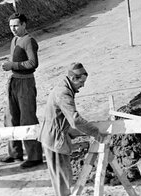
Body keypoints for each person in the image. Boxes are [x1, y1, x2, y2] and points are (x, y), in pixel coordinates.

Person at [38, 63, 103, 196]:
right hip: (55, 139)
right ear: (73, 79)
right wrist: (95, 132)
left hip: (54, 135)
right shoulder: (63, 93)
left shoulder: (64, 87)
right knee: (62, 180)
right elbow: (75, 120)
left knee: (62, 178)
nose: (83, 86)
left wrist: (84, 131)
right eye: (81, 82)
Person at [0, 13, 43, 168]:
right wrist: (11, 66)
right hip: (14, 81)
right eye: (11, 26)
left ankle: (35, 156)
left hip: (26, 83)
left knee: (27, 118)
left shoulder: (29, 40)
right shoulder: (14, 40)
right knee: (11, 117)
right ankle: (15, 153)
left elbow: (33, 63)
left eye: (16, 25)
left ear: (24, 25)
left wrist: (13, 65)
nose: (13, 29)